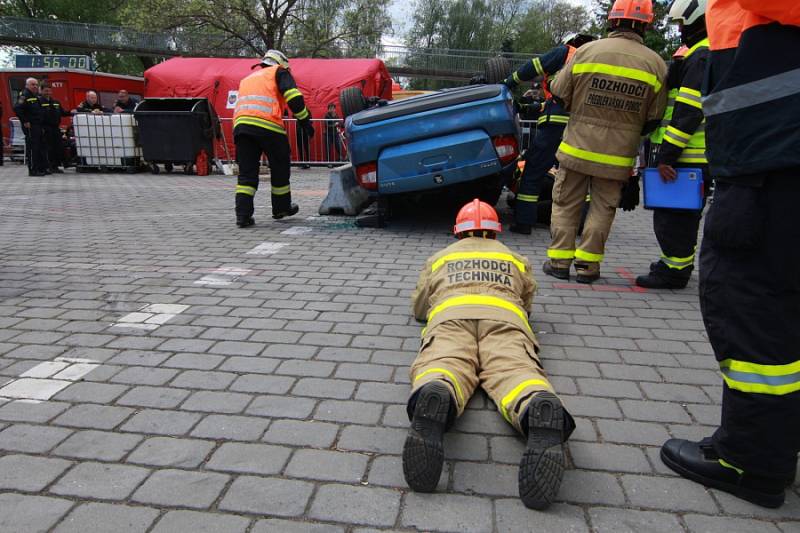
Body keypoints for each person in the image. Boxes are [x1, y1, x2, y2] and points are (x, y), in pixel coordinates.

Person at [660, 0, 800, 509]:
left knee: (751, 302)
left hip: (773, 162)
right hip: (773, 156)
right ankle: (776, 439)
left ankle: (752, 459)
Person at [403, 199, 575, 510]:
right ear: (495, 233)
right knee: (515, 369)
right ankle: (535, 401)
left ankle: (437, 389)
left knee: (443, 361)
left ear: (458, 232)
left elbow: (419, 307)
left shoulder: (440, 257)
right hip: (505, 319)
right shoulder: (514, 258)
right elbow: (527, 301)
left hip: (451, 317)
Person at [541, 0, 667, 283]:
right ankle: (588, 267)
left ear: (612, 21)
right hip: (618, 156)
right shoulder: (656, 63)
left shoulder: (587, 51)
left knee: (565, 203)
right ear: (646, 24)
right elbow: (654, 117)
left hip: (577, 148)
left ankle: (559, 263)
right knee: (602, 208)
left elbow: (559, 93)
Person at [636, 0, 710, 289]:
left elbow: (689, 112)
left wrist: (667, 155)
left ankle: (674, 271)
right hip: (690, 154)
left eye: (682, 25)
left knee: (674, 217)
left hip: (687, 155)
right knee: (677, 214)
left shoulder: (701, 56)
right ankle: (673, 263)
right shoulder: (699, 54)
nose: (680, 31)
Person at [503, 33, 596, 235]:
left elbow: (534, 66)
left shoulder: (567, 53)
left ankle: (524, 222)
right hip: (583, 126)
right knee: (577, 174)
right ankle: (581, 221)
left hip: (555, 126)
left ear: (571, 42)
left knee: (533, 171)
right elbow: (557, 101)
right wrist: (530, 108)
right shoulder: (596, 63)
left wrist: (509, 82)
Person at [233, 49, 313, 227]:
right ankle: (281, 208)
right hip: (268, 126)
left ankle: (242, 215)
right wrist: (305, 120)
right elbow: (293, 97)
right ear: (280, 63)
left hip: (242, 128)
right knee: (280, 167)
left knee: (247, 174)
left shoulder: (247, 79)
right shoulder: (279, 72)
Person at [13, 77, 48, 176]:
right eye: (33, 84)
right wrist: (25, 121)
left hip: (38, 125)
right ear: (27, 85)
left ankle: (40, 168)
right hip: (30, 126)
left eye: (36, 84)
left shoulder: (34, 95)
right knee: (33, 148)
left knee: (40, 146)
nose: (35, 86)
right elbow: (17, 108)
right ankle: (33, 170)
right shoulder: (24, 95)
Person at [40, 85, 69, 174]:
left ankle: (55, 166)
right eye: (45, 91)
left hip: (55, 128)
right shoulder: (39, 102)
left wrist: (71, 112)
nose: (48, 93)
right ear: (41, 91)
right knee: (48, 148)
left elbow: (63, 113)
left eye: (49, 91)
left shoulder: (55, 102)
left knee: (57, 147)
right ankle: (47, 166)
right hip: (45, 127)